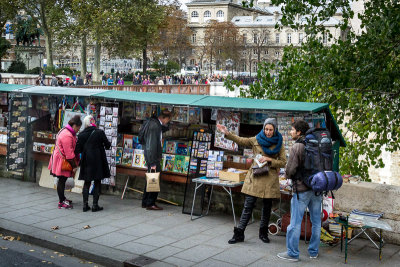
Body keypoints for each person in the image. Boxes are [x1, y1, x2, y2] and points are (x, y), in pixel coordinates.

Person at [217, 118, 287, 244]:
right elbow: (241, 140)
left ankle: (263, 233)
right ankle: (239, 233)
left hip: (269, 179)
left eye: (271, 130)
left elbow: (283, 162)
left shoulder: (279, 143)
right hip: (256, 176)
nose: (268, 132)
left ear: (275, 129)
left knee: (266, 207)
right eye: (266, 129)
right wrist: (227, 133)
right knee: (248, 206)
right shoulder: (256, 139)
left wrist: (269, 159)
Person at [277, 120, 322, 262]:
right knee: (316, 222)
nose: (290, 132)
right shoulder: (316, 144)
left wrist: (286, 176)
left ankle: (292, 253)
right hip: (316, 189)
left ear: (299, 132)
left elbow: (290, 170)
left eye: (292, 130)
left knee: (295, 223)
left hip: (301, 190)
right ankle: (313, 251)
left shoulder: (297, 147)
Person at [75, 115, 111, 212]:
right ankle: (95, 205)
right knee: (97, 182)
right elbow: (108, 145)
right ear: (94, 122)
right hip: (98, 160)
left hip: (87, 160)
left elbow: (77, 149)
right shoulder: (99, 132)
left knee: (87, 182)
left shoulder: (81, 135)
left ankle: (85, 205)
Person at [48, 115, 82, 209]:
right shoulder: (67, 135)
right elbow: (69, 153)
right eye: (78, 128)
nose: (78, 130)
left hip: (61, 159)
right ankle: (61, 202)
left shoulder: (65, 130)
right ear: (74, 125)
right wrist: (74, 166)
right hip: (62, 161)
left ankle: (62, 198)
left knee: (62, 180)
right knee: (62, 180)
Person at [142, 110, 172, 210]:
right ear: (164, 118)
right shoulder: (154, 126)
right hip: (152, 157)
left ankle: (145, 202)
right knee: (154, 179)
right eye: (168, 120)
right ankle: (150, 203)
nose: (168, 122)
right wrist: (153, 162)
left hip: (150, 156)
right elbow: (152, 145)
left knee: (150, 178)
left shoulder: (154, 123)